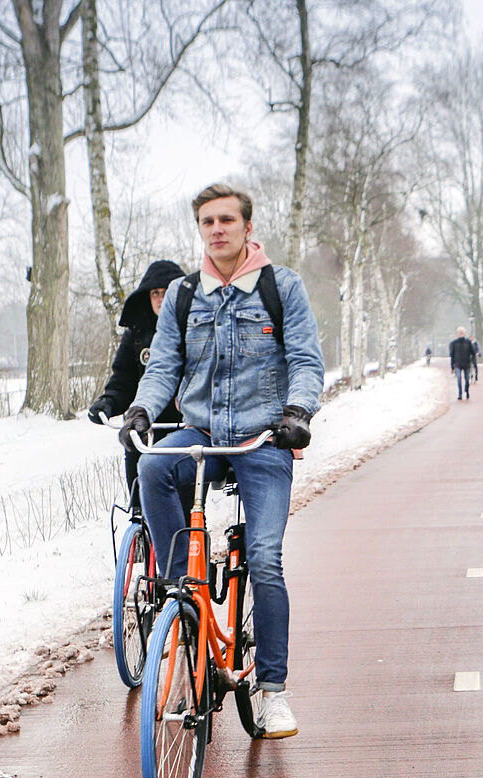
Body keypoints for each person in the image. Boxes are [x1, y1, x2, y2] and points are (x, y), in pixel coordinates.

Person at [121, 184, 324, 738]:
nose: (217, 229)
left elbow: (306, 360)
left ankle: (273, 693)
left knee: (263, 557)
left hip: (264, 440)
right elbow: (163, 365)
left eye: (227, 219)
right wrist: (142, 408)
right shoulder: (186, 295)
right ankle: (180, 593)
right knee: (153, 466)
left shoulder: (281, 288)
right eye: (208, 221)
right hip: (201, 431)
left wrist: (298, 411)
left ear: (247, 227)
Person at [87, 260, 185, 511]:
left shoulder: (195, 331)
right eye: (155, 293)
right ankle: (140, 543)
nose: (161, 299)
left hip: (185, 430)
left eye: (168, 292)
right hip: (144, 430)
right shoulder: (137, 335)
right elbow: (124, 380)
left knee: (186, 512)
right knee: (140, 507)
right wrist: (108, 403)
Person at [448, 327, 476, 400]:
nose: (461, 333)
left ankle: (467, 390)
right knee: (459, 379)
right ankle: (460, 393)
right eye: (459, 332)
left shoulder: (468, 342)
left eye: (462, 332)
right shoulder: (454, 343)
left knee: (467, 379)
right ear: (458, 333)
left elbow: (473, 352)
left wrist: (472, 361)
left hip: (467, 363)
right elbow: (452, 355)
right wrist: (452, 366)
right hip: (458, 364)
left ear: (464, 333)